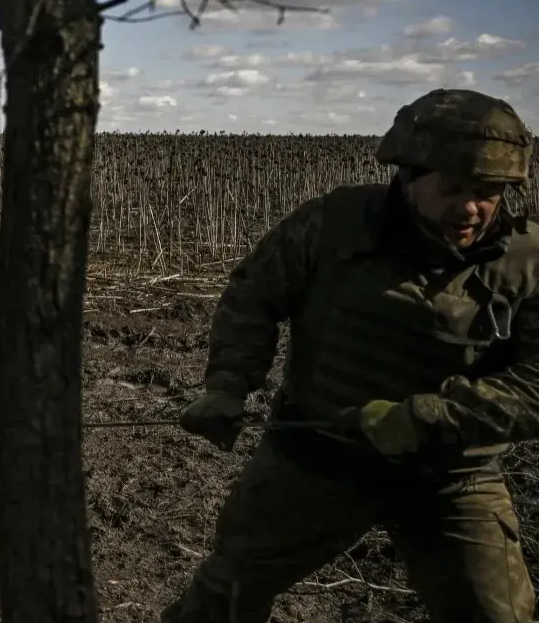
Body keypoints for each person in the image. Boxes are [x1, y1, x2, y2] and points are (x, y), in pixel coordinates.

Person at [161, 87, 538, 622]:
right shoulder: (336, 224)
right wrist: (227, 385)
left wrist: (426, 419)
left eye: (487, 192)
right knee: (227, 596)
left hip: (453, 474)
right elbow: (254, 294)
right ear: (408, 176)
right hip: (317, 455)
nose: (471, 207)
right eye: (452, 188)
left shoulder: (526, 262)